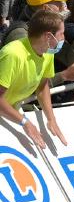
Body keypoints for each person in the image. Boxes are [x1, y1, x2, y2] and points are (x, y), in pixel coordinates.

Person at [0, 10, 69, 148]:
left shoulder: (47, 51)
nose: (64, 38)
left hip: (9, 111)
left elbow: (42, 86)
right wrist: (25, 123)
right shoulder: (12, 54)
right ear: (48, 36)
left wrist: (51, 118)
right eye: (61, 33)